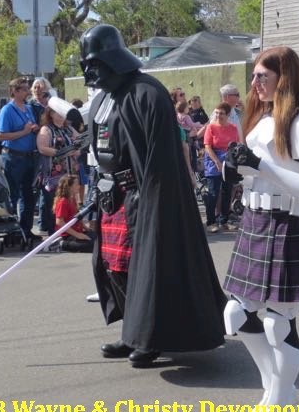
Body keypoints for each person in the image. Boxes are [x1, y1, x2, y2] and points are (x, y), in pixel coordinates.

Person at [80, 23, 226, 367]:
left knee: (144, 267)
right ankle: (133, 331)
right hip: (110, 197)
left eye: (95, 65)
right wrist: (95, 190)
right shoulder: (102, 99)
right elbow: (99, 150)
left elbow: (160, 160)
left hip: (142, 197)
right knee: (113, 265)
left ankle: (150, 337)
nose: (90, 73)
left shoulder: (147, 93)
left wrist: (150, 201)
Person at [221, 46, 299, 412]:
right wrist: (232, 169)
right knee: (236, 315)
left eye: (262, 76)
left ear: (283, 78)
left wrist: (261, 167)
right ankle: (279, 392)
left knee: (277, 322)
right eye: (253, 76)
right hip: (255, 220)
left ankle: (277, 405)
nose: (254, 83)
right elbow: (253, 170)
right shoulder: (263, 118)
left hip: (288, 223)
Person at [0, 77, 40, 242]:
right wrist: (23, 132)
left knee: (29, 195)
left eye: (27, 89)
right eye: (23, 89)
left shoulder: (28, 108)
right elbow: (0, 136)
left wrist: (33, 129)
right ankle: (12, 231)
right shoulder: (7, 110)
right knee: (13, 194)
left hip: (29, 156)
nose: (27, 92)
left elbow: (30, 127)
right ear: (14, 91)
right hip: (13, 157)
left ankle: (25, 229)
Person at [36, 102, 80, 234]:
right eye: (57, 113)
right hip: (54, 173)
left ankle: (67, 232)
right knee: (54, 204)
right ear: (50, 114)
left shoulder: (69, 129)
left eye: (62, 113)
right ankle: (52, 233)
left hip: (69, 172)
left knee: (68, 202)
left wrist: (76, 150)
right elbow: (42, 148)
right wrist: (62, 152)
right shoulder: (47, 129)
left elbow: (80, 143)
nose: (60, 116)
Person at [203, 102, 240, 232]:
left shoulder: (233, 128)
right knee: (213, 193)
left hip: (228, 162)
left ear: (228, 114)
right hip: (213, 161)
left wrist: (234, 163)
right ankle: (211, 222)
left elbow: (236, 145)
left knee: (227, 192)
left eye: (221, 113)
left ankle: (224, 221)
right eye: (216, 113)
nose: (218, 115)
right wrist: (217, 162)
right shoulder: (211, 127)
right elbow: (207, 146)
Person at [53, 174, 93, 252]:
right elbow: (59, 222)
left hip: (77, 231)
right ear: (69, 187)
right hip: (68, 235)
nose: (79, 186)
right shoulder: (63, 201)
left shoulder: (72, 199)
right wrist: (77, 235)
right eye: (76, 184)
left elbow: (77, 217)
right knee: (92, 245)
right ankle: (62, 244)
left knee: (98, 239)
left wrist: (85, 228)